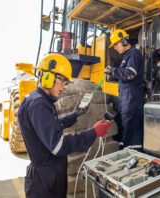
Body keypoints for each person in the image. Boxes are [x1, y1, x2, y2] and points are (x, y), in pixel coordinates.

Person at [18, 53, 113, 198]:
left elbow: (51, 126)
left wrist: (75, 114)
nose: (65, 87)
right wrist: (93, 132)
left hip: (48, 173)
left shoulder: (39, 100)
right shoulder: (39, 105)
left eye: (67, 83)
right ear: (47, 76)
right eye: (63, 80)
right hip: (45, 180)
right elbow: (58, 146)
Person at [104, 29, 144, 151]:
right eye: (114, 45)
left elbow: (130, 74)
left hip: (131, 97)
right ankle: (124, 147)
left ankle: (133, 152)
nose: (115, 48)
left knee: (130, 125)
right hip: (126, 97)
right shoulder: (127, 56)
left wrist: (113, 71)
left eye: (116, 44)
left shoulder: (133, 53)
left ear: (124, 40)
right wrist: (113, 74)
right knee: (124, 123)